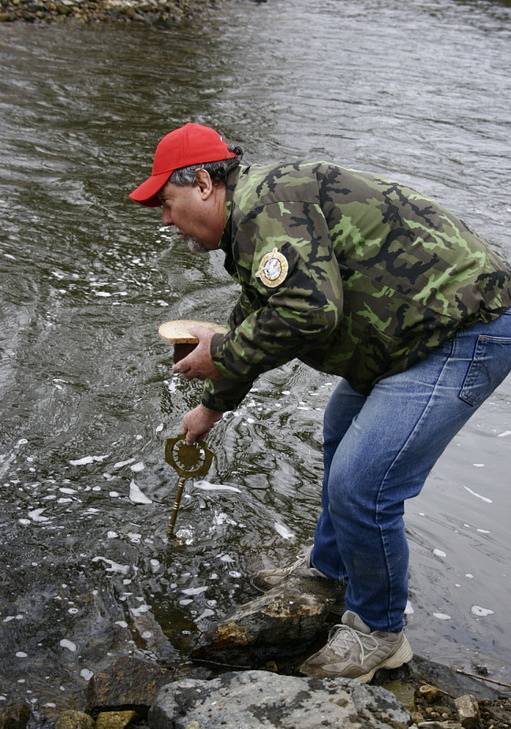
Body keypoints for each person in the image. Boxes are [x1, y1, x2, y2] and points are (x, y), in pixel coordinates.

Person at [130, 122, 511, 682]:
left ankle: (380, 634)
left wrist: (225, 351)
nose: (165, 219)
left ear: (206, 183)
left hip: (462, 330)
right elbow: (263, 311)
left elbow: (311, 311)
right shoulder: (255, 219)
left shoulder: (267, 207)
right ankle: (328, 572)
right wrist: (211, 407)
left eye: (167, 202)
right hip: (402, 332)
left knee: (363, 484)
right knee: (340, 432)